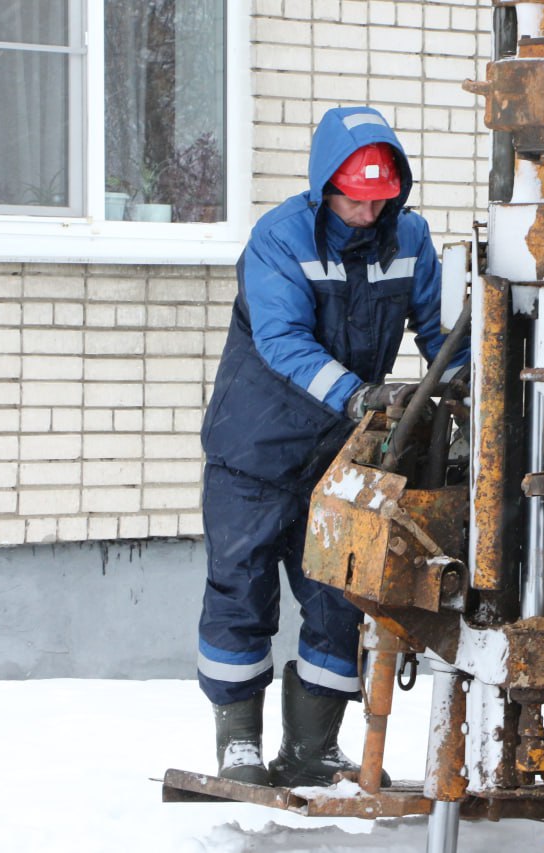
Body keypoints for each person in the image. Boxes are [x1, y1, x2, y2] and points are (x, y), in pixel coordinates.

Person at [197, 106, 467, 787]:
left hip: (338, 459)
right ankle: (240, 747)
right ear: (325, 188)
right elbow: (282, 340)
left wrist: (468, 392)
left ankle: (312, 745)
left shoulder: (409, 239)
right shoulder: (278, 239)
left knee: (339, 593)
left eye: (380, 201)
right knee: (243, 585)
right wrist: (357, 395)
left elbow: (440, 336)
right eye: (354, 200)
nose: (367, 215)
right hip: (256, 449)